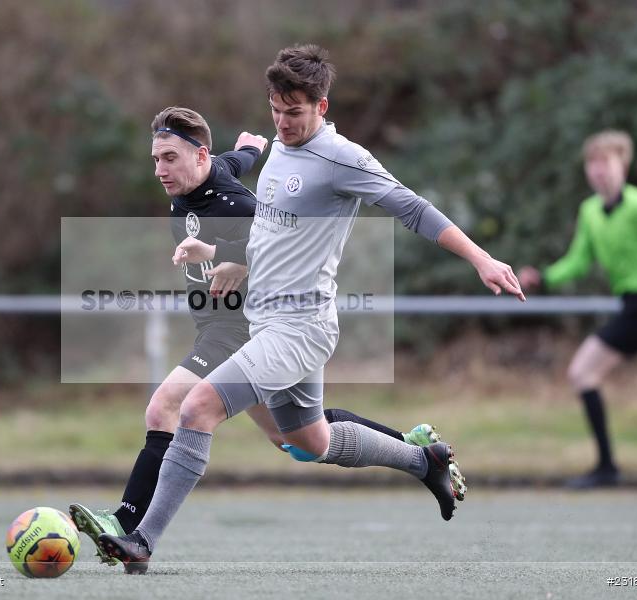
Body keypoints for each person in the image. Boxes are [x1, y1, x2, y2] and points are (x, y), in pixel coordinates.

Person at [98, 45, 524, 574]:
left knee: (195, 407)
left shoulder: (342, 157)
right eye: (275, 109)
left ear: (322, 106)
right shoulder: (280, 146)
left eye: (294, 112)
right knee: (309, 441)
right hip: (269, 322)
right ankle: (424, 461)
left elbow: (411, 207)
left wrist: (481, 258)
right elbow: (275, 232)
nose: (282, 122)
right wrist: (222, 255)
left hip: (299, 327)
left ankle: (142, 539)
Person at [69, 106, 458, 566]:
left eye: (169, 158)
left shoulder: (236, 204)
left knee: (166, 406)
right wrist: (251, 149)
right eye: (155, 159)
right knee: (297, 439)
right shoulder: (205, 173)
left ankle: (128, 525)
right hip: (223, 327)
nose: (160, 170)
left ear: (198, 156)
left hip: (239, 329)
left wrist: (221, 251)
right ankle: (413, 451)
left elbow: (283, 240)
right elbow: (235, 161)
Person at [517, 130, 637, 489]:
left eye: (605, 162)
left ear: (623, 165)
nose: (598, 170)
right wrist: (543, 278)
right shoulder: (589, 211)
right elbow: (578, 260)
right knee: (582, 374)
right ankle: (607, 468)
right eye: (592, 163)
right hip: (631, 313)